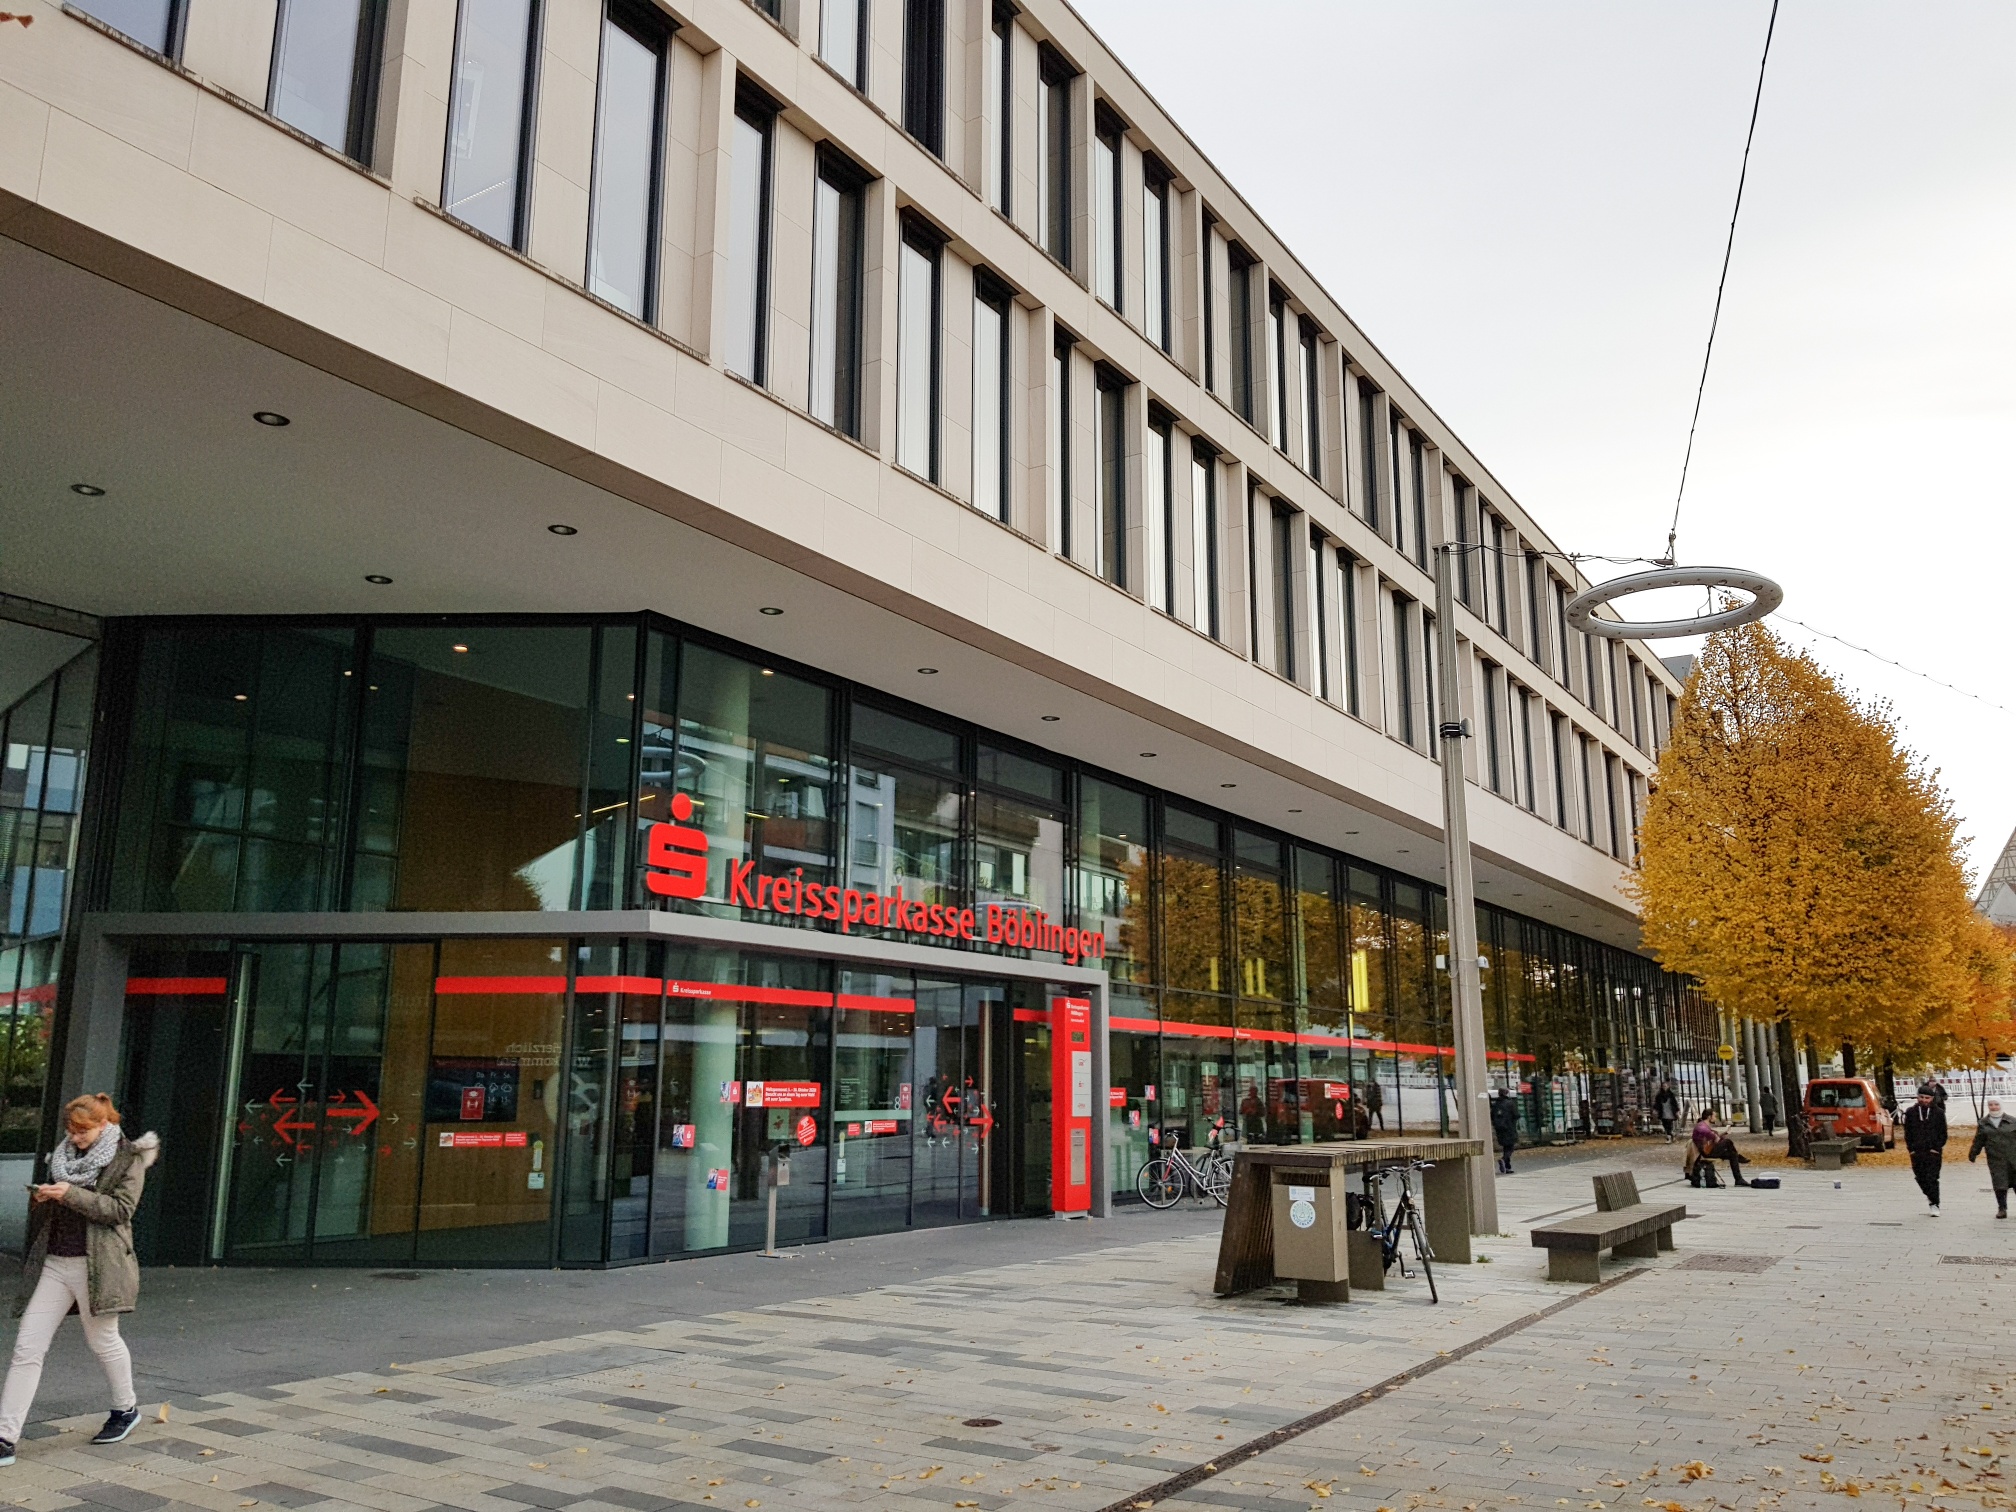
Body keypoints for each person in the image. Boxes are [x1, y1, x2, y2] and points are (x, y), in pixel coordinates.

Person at [0, 1094, 159, 1466]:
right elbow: (69, 1200)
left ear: (104, 1123)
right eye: (71, 1131)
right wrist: (47, 1197)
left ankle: (126, 1409)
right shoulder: (64, 1154)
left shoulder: (128, 1157)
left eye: (83, 1131)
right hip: (55, 1262)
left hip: (97, 1265)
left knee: (102, 1340)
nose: (75, 1138)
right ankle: (5, 1437)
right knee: (27, 1348)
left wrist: (70, 1194)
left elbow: (120, 1210)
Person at [1969, 1097, 2016, 1220]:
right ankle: (2002, 1208)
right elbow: (1979, 1140)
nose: (1994, 1107)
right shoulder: (1983, 1123)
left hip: (2013, 1157)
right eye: (1991, 1105)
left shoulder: (2012, 1121)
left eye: (1996, 1104)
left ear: (2001, 1105)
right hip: (1995, 1159)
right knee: (1999, 1184)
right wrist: (1973, 1153)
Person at [1903, 1084, 1947, 1215]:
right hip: (1917, 1152)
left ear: (1932, 1098)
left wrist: (1936, 1148)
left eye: (1927, 1098)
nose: (1924, 1100)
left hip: (1933, 1152)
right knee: (1920, 1177)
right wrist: (1911, 1149)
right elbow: (1908, 1133)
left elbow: (1943, 1133)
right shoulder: (1910, 1112)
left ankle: (1935, 1203)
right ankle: (1930, 1196)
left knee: (1932, 1178)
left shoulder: (1938, 1113)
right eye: (1921, 1097)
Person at [1489, 1089, 1520, 1175]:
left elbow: (1492, 1116)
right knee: (1510, 1147)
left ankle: (1507, 1167)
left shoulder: (1495, 1105)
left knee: (1506, 1147)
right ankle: (1503, 1159)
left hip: (1499, 1129)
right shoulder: (1510, 1103)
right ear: (1506, 1093)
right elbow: (1516, 1115)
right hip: (1509, 1128)